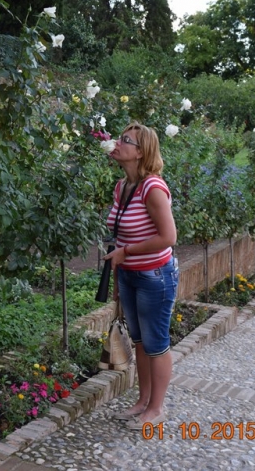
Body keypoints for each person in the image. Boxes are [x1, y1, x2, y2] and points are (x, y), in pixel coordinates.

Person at [103, 121, 178, 430]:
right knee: (139, 341)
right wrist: (120, 272)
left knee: (156, 342)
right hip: (130, 276)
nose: (116, 143)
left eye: (126, 140)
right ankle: (143, 401)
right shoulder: (123, 187)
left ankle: (157, 408)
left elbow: (169, 237)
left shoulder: (153, 187)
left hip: (155, 276)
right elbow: (120, 235)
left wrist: (126, 254)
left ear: (141, 152)